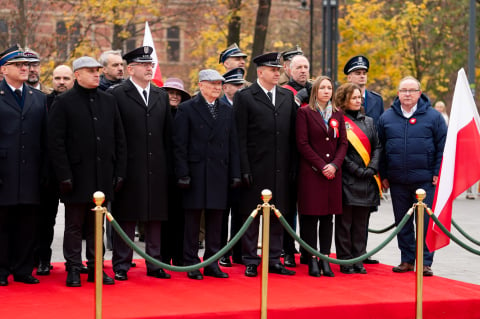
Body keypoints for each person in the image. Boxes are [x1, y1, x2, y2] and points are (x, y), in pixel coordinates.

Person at [48, 56, 127, 287]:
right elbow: (56, 143)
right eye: (90, 71)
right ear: (77, 74)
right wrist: (63, 175)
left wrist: (119, 171)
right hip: (75, 176)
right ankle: (73, 268)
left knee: (97, 225)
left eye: (98, 70)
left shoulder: (108, 100)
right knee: (74, 225)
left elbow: (119, 138)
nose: (96, 74)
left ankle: (96, 268)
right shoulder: (63, 103)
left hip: (103, 174)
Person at [109, 46, 173, 281]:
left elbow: (167, 136)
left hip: (156, 167)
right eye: (144, 65)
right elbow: (115, 134)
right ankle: (122, 263)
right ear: (130, 69)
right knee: (126, 216)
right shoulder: (117, 95)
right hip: (128, 167)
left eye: (151, 64)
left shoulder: (161, 95)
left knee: (155, 217)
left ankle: (154, 263)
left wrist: (169, 169)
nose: (149, 68)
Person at [234, 52, 297, 277]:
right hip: (255, 168)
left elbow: (291, 136)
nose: (277, 72)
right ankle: (250, 259)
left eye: (278, 69)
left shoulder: (286, 96)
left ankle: (273, 259)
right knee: (251, 217)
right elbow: (239, 136)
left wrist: (292, 166)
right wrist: (244, 168)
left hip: (280, 167)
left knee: (278, 216)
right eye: (273, 69)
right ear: (260, 72)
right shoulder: (245, 96)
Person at [173, 69, 241, 280]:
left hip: (219, 172)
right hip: (196, 173)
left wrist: (235, 173)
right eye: (212, 84)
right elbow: (179, 145)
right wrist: (182, 173)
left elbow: (233, 144)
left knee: (216, 221)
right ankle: (191, 262)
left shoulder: (227, 110)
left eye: (219, 84)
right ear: (201, 85)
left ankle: (212, 262)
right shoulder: (187, 109)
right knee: (193, 221)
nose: (216, 88)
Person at [377, 76, 447, 277]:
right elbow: (380, 148)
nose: (407, 94)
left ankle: (425, 262)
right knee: (403, 222)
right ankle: (407, 260)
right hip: (398, 181)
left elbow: (443, 147)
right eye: (403, 90)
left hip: (425, 181)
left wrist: (437, 172)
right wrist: (383, 174)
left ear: (419, 92)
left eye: (411, 90)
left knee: (425, 223)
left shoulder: (434, 117)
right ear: (398, 93)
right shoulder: (387, 117)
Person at [0, 45, 47, 286]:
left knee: (28, 225)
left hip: (31, 173)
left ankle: (22, 269)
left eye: (27, 65)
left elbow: (45, 138)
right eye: (19, 65)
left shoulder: (38, 98)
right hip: (4, 173)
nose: (25, 68)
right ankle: (1, 269)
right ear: (3, 69)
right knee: (3, 223)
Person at [296, 76, 348, 277]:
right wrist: (322, 165)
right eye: (322, 88)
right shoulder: (304, 113)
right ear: (315, 91)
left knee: (328, 218)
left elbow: (343, 143)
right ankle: (312, 259)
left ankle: (325, 257)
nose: (326, 91)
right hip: (312, 173)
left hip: (332, 174)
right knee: (311, 218)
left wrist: (334, 165)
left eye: (329, 88)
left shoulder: (337, 114)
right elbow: (302, 143)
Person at [334, 83, 382, 275]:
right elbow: (338, 150)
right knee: (345, 224)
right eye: (354, 97)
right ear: (344, 99)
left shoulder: (369, 121)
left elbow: (378, 146)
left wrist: (371, 168)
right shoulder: (337, 120)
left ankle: (359, 258)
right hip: (347, 179)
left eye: (359, 98)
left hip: (367, 179)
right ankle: (345, 260)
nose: (358, 100)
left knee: (362, 224)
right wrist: (355, 169)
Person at [35, 65, 75, 276]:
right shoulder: (43, 102)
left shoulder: (82, 102)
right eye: (57, 78)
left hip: (76, 172)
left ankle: (76, 263)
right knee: (45, 220)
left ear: (73, 79)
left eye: (65, 78)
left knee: (77, 222)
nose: (61, 82)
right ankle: (43, 259)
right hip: (49, 174)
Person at [344, 55, 384, 264]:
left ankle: (362, 253)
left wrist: (376, 168)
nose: (361, 76)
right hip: (350, 169)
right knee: (347, 217)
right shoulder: (340, 100)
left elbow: (380, 137)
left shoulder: (376, 99)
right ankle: (347, 255)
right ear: (349, 77)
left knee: (364, 215)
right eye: (357, 73)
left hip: (370, 168)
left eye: (364, 73)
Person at [160, 77, 191, 266]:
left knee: (181, 218)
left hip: (182, 173)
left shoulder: (185, 114)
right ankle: (163, 257)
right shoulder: (158, 114)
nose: (174, 96)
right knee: (164, 219)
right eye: (170, 93)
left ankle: (179, 256)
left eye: (177, 93)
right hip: (162, 174)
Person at [218, 67, 245, 267]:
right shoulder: (217, 105)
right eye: (235, 85)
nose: (238, 88)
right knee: (221, 214)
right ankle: (221, 252)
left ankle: (238, 251)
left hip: (241, 167)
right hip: (221, 168)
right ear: (224, 86)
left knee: (240, 212)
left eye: (241, 85)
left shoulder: (244, 105)